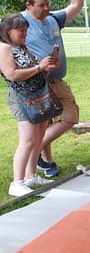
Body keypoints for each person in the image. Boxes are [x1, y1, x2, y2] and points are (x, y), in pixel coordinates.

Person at [22, 0, 84, 178]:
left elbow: (76, 5)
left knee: (70, 115)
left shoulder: (53, 19)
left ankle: (38, 150)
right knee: (43, 124)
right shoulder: (18, 23)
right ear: (28, 5)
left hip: (58, 80)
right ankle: (46, 163)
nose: (46, 8)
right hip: (37, 82)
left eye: (47, 4)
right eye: (41, 5)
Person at [0, 13, 59, 196]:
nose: (25, 34)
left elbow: (33, 72)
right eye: (21, 31)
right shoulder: (4, 48)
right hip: (22, 98)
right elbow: (12, 74)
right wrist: (39, 67)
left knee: (38, 137)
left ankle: (31, 175)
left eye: (26, 31)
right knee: (28, 140)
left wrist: (46, 68)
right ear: (8, 31)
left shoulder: (21, 46)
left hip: (37, 95)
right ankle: (17, 182)